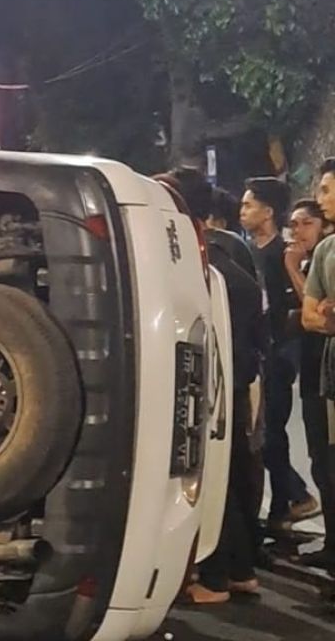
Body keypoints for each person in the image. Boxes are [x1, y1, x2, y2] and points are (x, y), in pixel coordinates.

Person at [161, 168, 263, 603]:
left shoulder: (203, 267)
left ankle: (216, 577)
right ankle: (239, 570)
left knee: (209, 479)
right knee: (232, 474)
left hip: (210, 389)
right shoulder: (228, 258)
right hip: (233, 386)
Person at [242, 177, 319, 529]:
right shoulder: (247, 251)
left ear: (267, 211)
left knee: (271, 431)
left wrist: (277, 349)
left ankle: (295, 498)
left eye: (249, 205)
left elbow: (298, 308)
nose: (243, 211)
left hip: (280, 353)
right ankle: (285, 504)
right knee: (263, 433)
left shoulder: (284, 255)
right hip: (259, 352)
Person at [285, 198, 335, 571]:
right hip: (319, 372)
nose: (297, 231)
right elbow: (310, 315)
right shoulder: (324, 253)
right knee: (323, 459)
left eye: (305, 223)